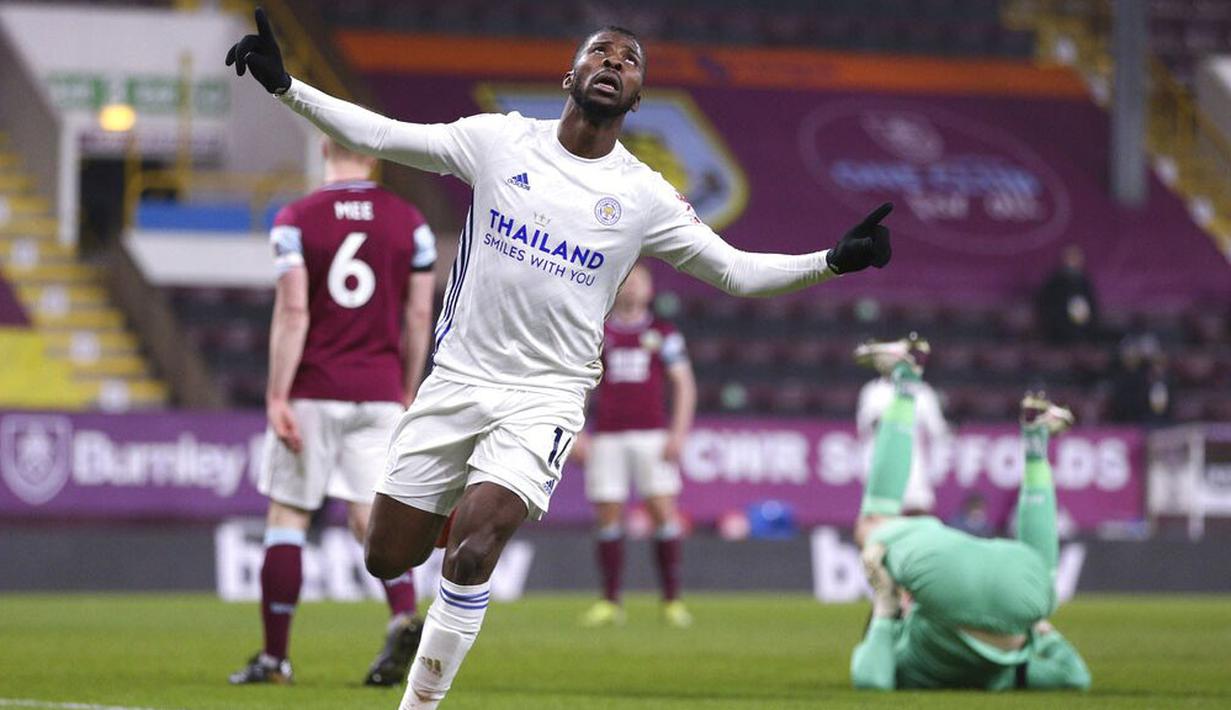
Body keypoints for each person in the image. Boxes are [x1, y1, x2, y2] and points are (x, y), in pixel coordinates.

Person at [227, 11, 892, 708]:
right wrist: (286, 87)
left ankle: (419, 703)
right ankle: (456, 504)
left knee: (474, 552)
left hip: (545, 397)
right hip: (457, 380)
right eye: (599, 53)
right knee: (385, 555)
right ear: (569, 76)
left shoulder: (643, 196)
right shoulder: (498, 140)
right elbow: (384, 136)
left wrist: (831, 262)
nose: (613, 62)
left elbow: (735, 271)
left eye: (628, 61)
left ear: (636, 98)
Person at [228, 136, 438, 686]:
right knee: (373, 518)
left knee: (289, 517)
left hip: (315, 389)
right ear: (374, 153)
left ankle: (275, 660)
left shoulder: (296, 218)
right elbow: (420, 316)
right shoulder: (410, 222)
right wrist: (407, 387)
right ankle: (401, 619)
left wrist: (277, 395)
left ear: (324, 146)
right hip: (380, 391)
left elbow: (294, 310)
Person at [846, 337, 1091, 691]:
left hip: (1011, 591)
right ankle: (907, 378)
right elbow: (869, 679)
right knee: (873, 522)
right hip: (946, 569)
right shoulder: (912, 658)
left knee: (1044, 577)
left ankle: (1037, 446)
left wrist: (1040, 627)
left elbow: (1076, 678)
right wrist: (886, 606)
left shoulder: (1008, 674)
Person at [571, 262, 697, 628]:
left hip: (652, 435)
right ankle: (610, 601)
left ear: (650, 290)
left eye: (639, 282)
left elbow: (684, 384)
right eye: (626, 281)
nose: (631, 288)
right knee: (607, 514)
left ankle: (672, 600)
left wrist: (679, 432)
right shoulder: (600, 332)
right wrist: (577, 430)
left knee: (662, 511)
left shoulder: (663, 333)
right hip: (607, 436)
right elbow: (583, 385)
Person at [854, 333, 947, 514]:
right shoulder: (872, 391)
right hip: (880, 462)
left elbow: (938, 431)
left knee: (916, 512)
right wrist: (891, 418)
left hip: (913, 462)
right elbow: (864, 427)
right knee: (880, 516)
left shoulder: (923, 392)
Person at [1035, 244, 1098, 344]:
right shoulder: (1055, 282)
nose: (1073, 262)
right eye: (1070, 258)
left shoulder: (1084, 282)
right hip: (1058, 331)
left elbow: (1092, 305)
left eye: (1076, 258)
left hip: (1082, 330)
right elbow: (1047, 305)